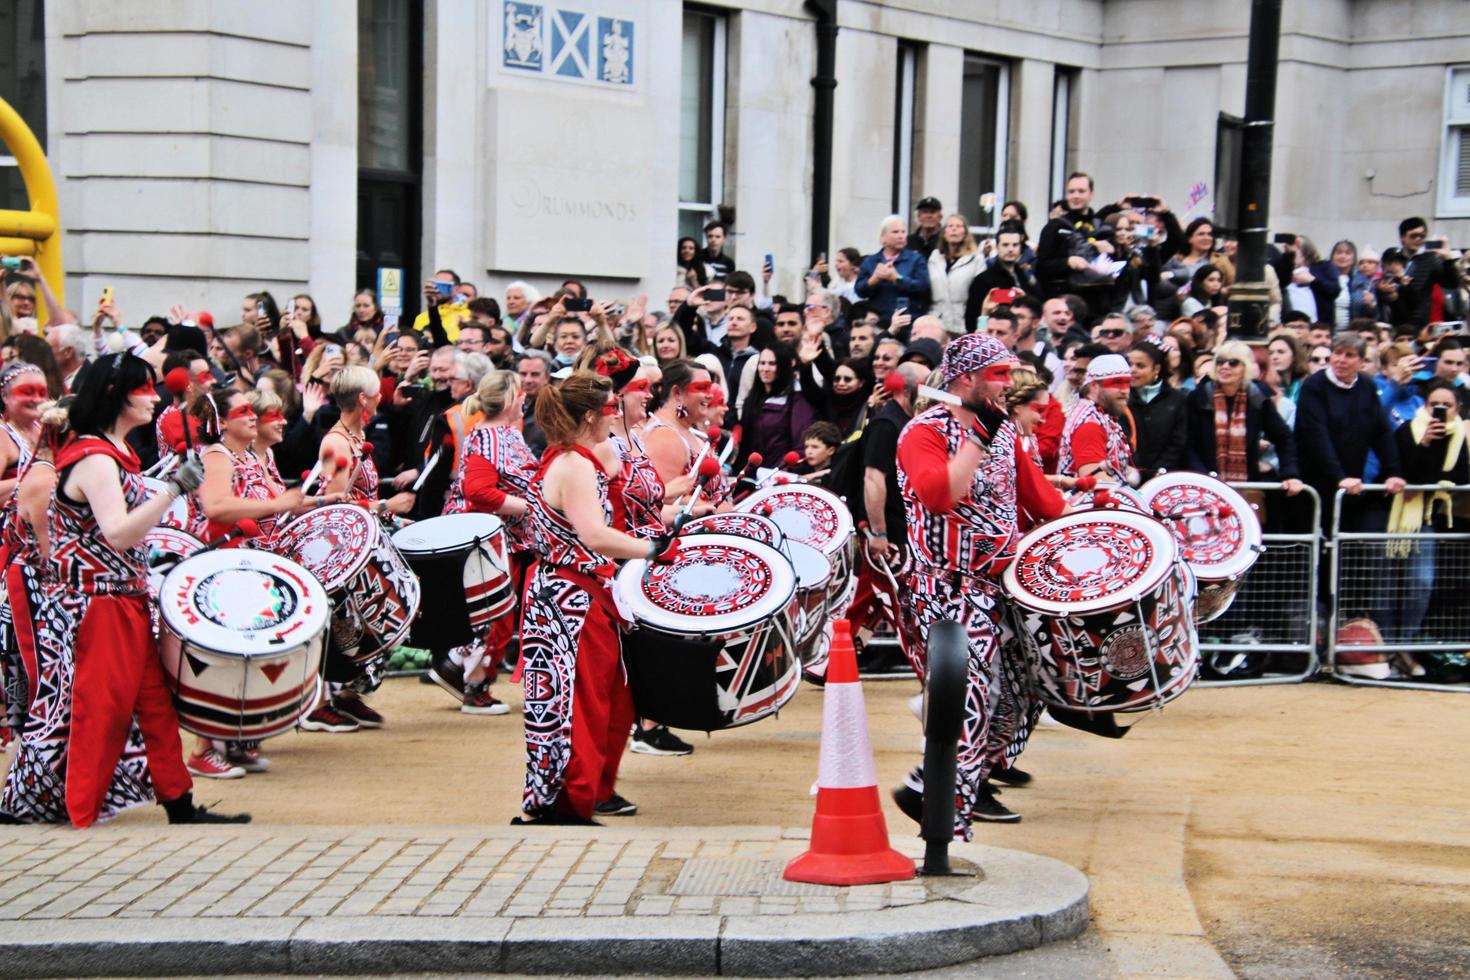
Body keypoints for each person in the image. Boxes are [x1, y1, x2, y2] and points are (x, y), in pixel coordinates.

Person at [1, 354, 247, 827]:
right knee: (100, 707)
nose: (155, 397)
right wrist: (174, 489)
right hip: (96, 604)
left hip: (120, 598)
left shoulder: (108, 450)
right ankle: (79, 808)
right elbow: (118, 533)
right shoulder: (93, 456)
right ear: (118, 395)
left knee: (152, 703)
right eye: (145, 389)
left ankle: (178, 803)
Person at [891, 333, 1066, 835]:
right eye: (1000, 375)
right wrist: (977, 441)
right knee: (973, 695)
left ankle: (940, 785)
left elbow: (1043, 503)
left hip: (1004, 585)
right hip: (945, 589)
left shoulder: (1006, 433)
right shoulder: (922, 433)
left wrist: (1097, 517)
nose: (1009, 386)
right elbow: (939, 494)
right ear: (966, 379)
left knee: (1028, 688)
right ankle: (941, 809)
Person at [517, 372, 672, 824]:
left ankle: (584, 791)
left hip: (573, 595)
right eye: (608, 409)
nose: (616, 416)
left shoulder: (573, 458)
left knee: (603, 698)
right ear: (589, 416)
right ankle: (568, 797)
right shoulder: (573, 464)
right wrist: (653, 550)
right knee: (579, 702)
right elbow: (594, 534)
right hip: (571, 599)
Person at [299, 366, 416, 734]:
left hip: (362, 540)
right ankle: (321, 702)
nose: (382, 395)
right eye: (376, 392)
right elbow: (334, 508)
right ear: (363, 399)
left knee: (373, 618)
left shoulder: (356, 435)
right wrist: (387, 508)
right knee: (349, 622)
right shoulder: (336, 443)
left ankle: (348, 692)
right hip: (341, 550)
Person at [436, 370, 537, 716]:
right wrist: (527, 506)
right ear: (510, 399)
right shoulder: (491, 436)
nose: (525, 397)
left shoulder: (506, 433)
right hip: (488, 537)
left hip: (502, 536)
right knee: (492, 612)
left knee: (497, 610)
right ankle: (474, 683)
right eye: (521, 392)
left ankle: (457, 667)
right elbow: (478, 491)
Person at [1381, 380, 1468, 657]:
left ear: (1458, 409)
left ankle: (1406, 645)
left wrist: (1441, 482)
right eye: (1434, 405)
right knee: (1392, 582)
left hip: (1439, 518)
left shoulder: (1462, 438)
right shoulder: (1408, 431)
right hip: (1402, 515)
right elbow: (1407, 473)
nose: (1440, 410)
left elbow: (1461, 477)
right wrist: (1427, 443)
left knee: (1422, 583)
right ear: (1425, 406)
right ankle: (1386, 647)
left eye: (1447, 405)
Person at [1295, 334, 1405, 535]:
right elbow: (1316, 436)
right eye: (1337, 353)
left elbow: (1380, 431)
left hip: (1352, 482)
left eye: (1349, 355)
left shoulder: (1367, 386)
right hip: (1316, 483)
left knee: (1346, 548)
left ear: (1361, 362)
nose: (1341, 360)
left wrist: (1393, 471)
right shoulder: (1314, 386)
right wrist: (1338, 477)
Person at [1059, 353, 1138, 485]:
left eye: (1127, 383)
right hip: (1092, 503)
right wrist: (1130, 496)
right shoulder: (1090, 423)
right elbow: (1093, 477)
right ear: (1094, 386)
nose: (1125, 391)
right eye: (1116, 383)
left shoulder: (1100, 414)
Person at [740, 344, 815, 464]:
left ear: (783, 367)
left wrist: (782, 470)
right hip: (750, 474)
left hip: (778, 476)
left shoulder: (796, 400)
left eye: (772, 364)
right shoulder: (752, 399)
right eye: (762, 363)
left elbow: (801, 446)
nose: (765, 368)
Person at [855, 215, 931, 320]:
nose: (901, 236)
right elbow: (859, 291)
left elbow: (923, 287)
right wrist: (874, 279)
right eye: (895, 232)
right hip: (879, 320)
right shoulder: (871, 261)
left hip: (908, 319)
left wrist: (897, 278)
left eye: (903, 232)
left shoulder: (916, 259)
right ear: (883, 237)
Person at [927, 214, 982, 335]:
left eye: (958, 226)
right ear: (944, 232)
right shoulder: (934, 258)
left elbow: (980, 295)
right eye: (950, 226)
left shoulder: (976, 259)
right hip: (936, 322)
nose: (954, 229)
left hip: (963, 323)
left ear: (965, 232)